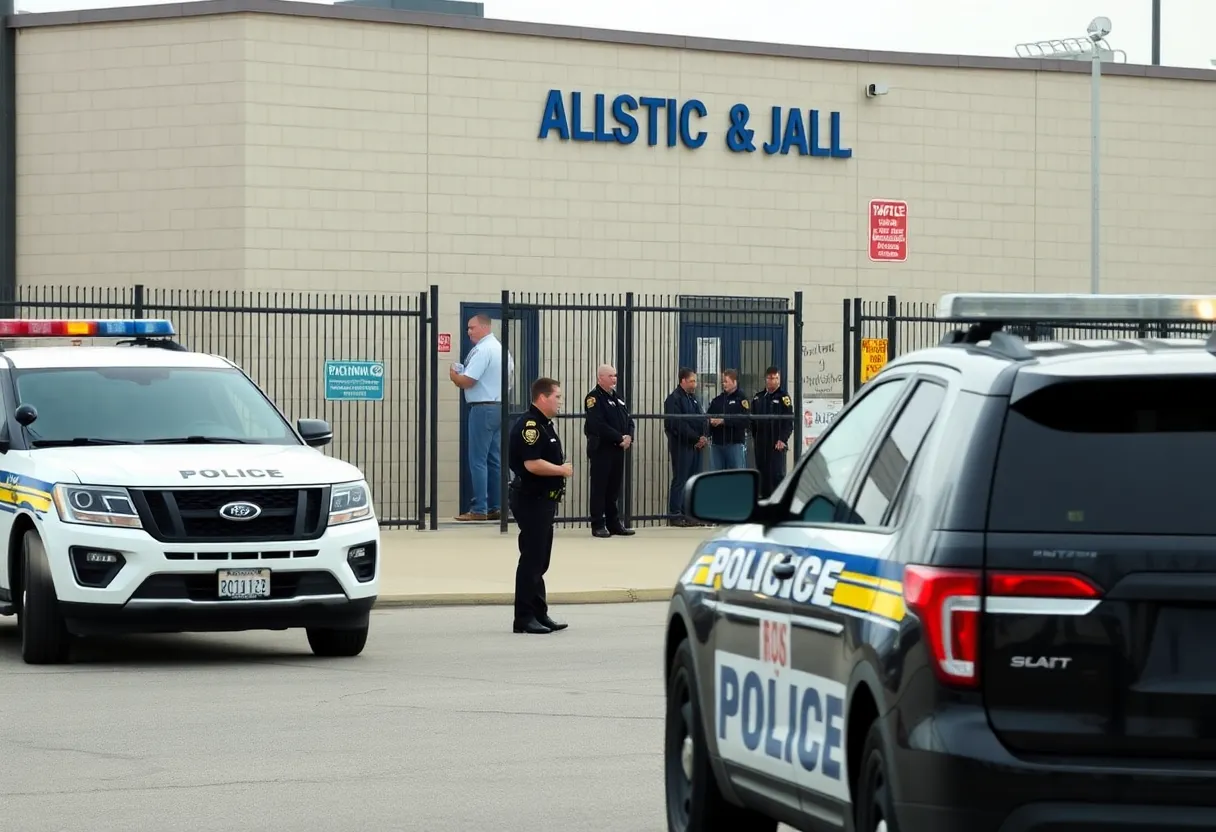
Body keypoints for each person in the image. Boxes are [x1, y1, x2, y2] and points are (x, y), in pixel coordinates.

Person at [507, 377, 573, 635]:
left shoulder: (545, 424)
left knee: (540, 560)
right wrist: (562, 470)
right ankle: (523, 617)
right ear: (543, 397)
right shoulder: (530, 426)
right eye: (557, 396)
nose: (560, 401)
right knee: (532, 559)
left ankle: (539, 613)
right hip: (531, 499)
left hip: (545, 500)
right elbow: (531, 464)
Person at [449, 314, 513, 522]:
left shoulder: (483, 350)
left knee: (477, 460)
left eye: (472, 328)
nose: (468, 332)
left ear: (485, 327)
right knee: (494, 460)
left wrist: (454, 375)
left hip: (482, 408)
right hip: (498, 406)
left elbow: (468, 381)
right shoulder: (502, 350)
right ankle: (497, 506)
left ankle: (479, 508)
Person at [583, 363, 636, 538]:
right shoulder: (593, 399)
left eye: (615, 375)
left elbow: (628, 420)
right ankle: (598, 524)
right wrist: (619, 437)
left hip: (618, 450)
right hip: (602, 449)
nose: (614, 379)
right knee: (600, 487)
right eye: (611, 376)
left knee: (614, 488)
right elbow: (598, 424)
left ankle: (614, 523)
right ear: (600, 378)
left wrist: (629, 436)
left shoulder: (617, 398)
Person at [663, 367, 709, 526]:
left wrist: (703, 436)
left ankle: (689, 514)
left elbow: (702, 419)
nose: (694, 384)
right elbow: (676, 424)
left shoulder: (693, 399)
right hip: (682, 445)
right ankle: (676, 514)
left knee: (692, 480)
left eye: (695, 381)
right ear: (682, 381)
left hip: (696, 445)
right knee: (681, 479)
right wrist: (696, 437)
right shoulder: (674, 399)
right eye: (691, 381)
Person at [750, 366, 795, 499]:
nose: (774, 381)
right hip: (761, 443)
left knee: (776, 474)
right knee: (762, 474)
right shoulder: (758, 398)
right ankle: (764, 502)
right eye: (771, 378)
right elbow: (752, 421)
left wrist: (782, 439)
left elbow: (788, 422)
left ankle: (778, 502)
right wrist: (755, 438)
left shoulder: (783, 397)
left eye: (776, 378)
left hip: (776, 443)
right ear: (766, 379)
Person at [706, 368, 750, 471]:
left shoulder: (742, 399)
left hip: (734, 444)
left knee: (737, 477)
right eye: (723, 382)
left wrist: (724, 421)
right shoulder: (717, 400)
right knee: (716, 476)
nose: (723, 384)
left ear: (734, 382)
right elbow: (707, 417)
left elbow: (746, 421)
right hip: (717, 444)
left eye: (726, 381)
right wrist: (708, 427)